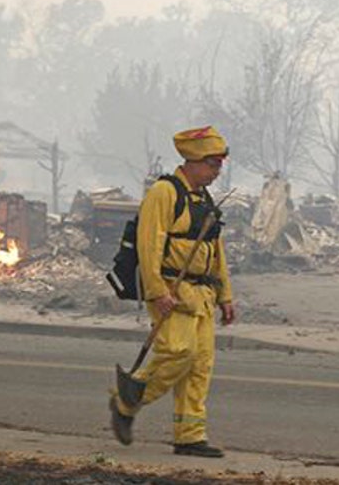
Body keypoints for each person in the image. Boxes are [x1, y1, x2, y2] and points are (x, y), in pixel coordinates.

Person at [108, 125, 236, 458]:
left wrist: (226, 296)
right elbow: (149, 244)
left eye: (218, 165)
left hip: (203, 296)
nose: (216, 171)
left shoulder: (203, 199)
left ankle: (190, 436)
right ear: (193, 161)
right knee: (179, 353)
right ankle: (126, 401)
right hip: (172, 291)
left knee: (199, 365)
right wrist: (156, 290)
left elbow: (215, 248)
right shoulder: (165, 193)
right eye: (212, 164)